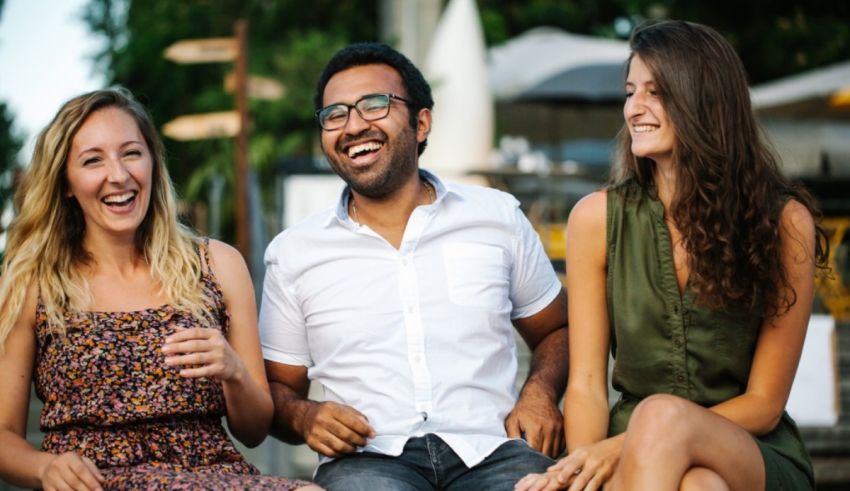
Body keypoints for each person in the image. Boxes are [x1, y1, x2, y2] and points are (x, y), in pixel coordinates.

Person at [515, 20, 828, 491]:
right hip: (638, 459)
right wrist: (581, 465)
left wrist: (621, 444)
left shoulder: (784, 222)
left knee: (662, 418)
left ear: (703, 101)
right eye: (629, 92)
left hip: (750, 448)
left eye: (655, 92)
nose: (634, 109)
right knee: (700, 486)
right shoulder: (596, 219)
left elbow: (765, 402)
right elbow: (583, 384)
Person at [259, 43, 569, 491]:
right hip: (368, 462)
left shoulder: (496, 215)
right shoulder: (294, 253)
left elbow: (556, 329)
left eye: (374, 104)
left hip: (494, 449)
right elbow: (274, 390)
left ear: (421, 122)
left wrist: (540, 393)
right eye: (335, 114)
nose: (353, 126)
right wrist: (304, 416)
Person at [0, 89, 318, 491]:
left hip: (214, 477)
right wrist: (44, 467)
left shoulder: (217, 265)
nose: (118, 175)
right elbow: (5, 435)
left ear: (152, 162)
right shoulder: (33, 283)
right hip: (97, 482)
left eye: (131, 153)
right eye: (93, 160)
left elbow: (253, 431)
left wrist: (233, 371)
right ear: (65, 183)